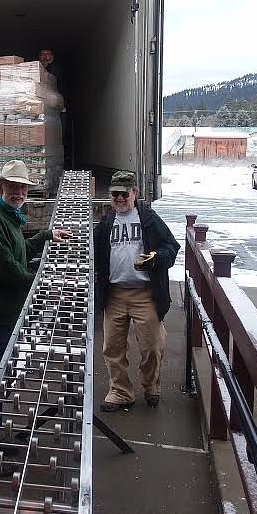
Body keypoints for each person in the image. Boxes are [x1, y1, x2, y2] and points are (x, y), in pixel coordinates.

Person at [0, 159, 71, 419]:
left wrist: (46, 236)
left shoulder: (10, 219)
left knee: (5, 377)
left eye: (23, 188)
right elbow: (7, 269)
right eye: (13, 187)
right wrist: (41, 284)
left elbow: (20, 252)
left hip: (10, 314)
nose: (19, 193)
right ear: (1, 188)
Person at [94, 171, 180, 412]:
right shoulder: (107, 221)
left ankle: (151, 385)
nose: (119, 198)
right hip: (115, 295)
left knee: (153, 346)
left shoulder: (149, 218)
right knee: (112, 347)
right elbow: (95, 253)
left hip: (145, 294)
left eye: (124, 193)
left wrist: (156, 258)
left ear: (134, 193)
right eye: (115, 194)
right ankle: (120, 391)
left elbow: (171, 247)